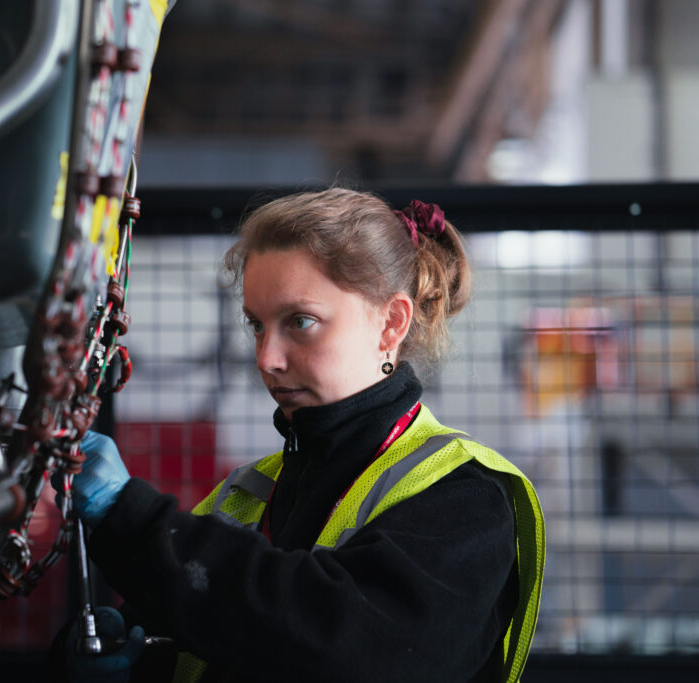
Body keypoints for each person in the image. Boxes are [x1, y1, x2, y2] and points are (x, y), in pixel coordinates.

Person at [54, 188, 545, 683]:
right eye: (257, 326)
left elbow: (338, 642)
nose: (267, 359)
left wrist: (132, 519)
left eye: (301, 322)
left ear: (391, 324)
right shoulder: (248, 494)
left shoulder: (464, 497)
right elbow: (222, 635)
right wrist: (131, 658)